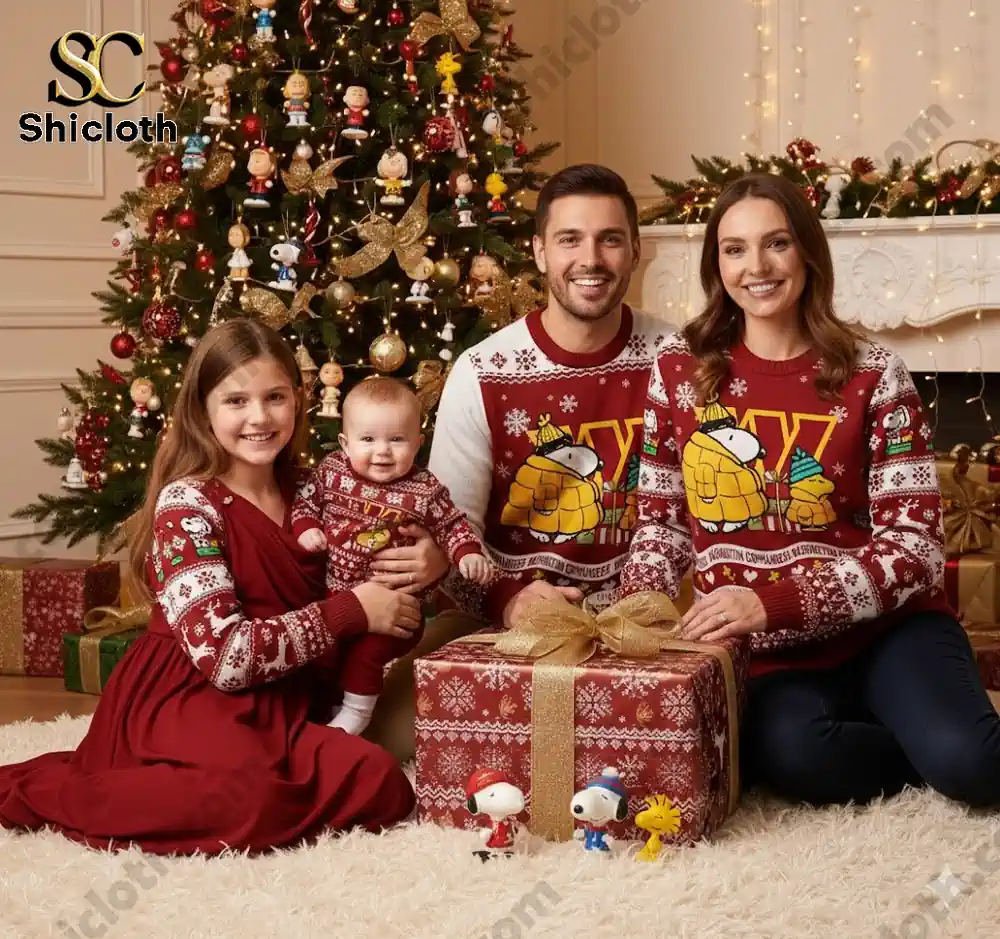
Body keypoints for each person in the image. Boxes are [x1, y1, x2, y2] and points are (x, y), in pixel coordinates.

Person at [617, 172, 1000, 808]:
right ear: (718, 264)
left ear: (808, 253)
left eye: (777, 243)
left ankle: (939, 740)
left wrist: (777, 600)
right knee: (795, 760)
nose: (756, 267)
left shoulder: (874, 372)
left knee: (973, 766)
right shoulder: (678, 370)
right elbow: (661, 524)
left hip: (890, 631)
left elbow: (917, 548)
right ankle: (912, 744)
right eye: (734, 249)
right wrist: (633, 620)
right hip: (766, 655)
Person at [0, 319, 420, 855]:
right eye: (236, 401)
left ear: (299, 401)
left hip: (281, 698)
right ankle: (48, 792)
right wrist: (351, 611)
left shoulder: (316, 490)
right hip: (190, 699)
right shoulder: (188, 505)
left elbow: (397, 533)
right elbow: (225, 658)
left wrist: (425, 558)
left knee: (379, 781)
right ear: (203, 410)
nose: (259, 418)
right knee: (248, 800)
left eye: (275, 397)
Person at [362, 164, 672, 759]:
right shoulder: (483, 371)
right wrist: (511, 598)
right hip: (501, 616)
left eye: (610, 239)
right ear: (538, 251)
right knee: (400, 736)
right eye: (569, 240)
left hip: (644, 615)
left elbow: (695, 520)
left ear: (634, 250)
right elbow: (451, 542)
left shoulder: (673, 357)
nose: (592, 258)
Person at [292, 377, 492, 735]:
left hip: (398, 606)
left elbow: (452, 524)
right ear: (345, 442)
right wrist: (307, 527)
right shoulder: (331, 472)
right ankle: (330, 707)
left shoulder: (425, 489)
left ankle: (356, 714)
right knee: (326, 650)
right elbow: (305, 501)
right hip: (338, 596)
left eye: (396, 440)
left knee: (365, 654)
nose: (382, 451)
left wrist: (466, 552)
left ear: (417, 443)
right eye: (368, 439)